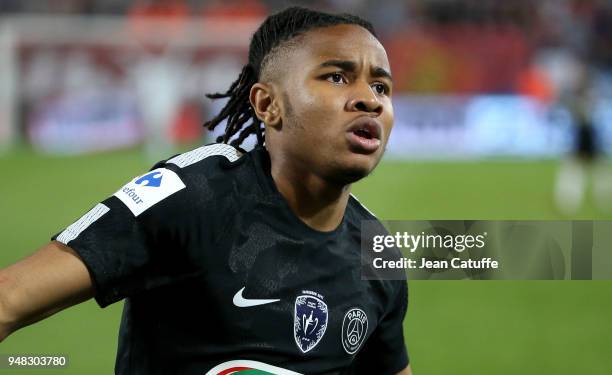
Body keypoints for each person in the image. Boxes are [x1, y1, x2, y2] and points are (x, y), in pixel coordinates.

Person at [0, 7, 411, 375]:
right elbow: (9, 299)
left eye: (381, 87)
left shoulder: (376, 254)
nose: (369, 100)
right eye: (337, 77)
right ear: (268, 105)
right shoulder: (196, 195)